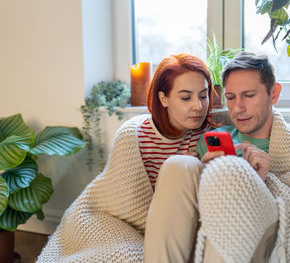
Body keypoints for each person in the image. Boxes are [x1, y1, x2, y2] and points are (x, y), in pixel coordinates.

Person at [143, 52, 290, 262]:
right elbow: (188, 213)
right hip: (210, 230)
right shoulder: (212, 140)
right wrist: (204, 177)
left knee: (229, 171)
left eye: (249, 95)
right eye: (230, 97)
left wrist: (260, 181)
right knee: (178, 165)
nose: (238, 108)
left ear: (274, 94)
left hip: (268, 234)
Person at [37, 53, 215, 262]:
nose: (198, 106)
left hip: (167, 230)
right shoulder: (134, 134)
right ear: (163, 98)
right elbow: (121, 201)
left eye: (203, 96)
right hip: (103, 217)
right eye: (186, 97)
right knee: (129, 255)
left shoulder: (208, 135)